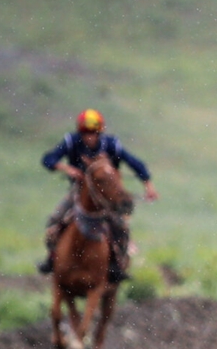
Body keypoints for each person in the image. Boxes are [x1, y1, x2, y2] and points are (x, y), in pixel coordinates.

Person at [37, 109, 158, 283]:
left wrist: (148, 185)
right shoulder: (71, 142)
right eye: (86, 133)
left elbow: (134, 162)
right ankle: (51, 258)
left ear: (100, 132)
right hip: (79, 192)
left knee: (121, 226)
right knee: (54, 220)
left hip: (106, 197)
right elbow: (48, 159)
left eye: (93, 133)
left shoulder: (111, 145)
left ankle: (117, 264)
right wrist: (66, 168)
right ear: (80, 132)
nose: (89, 137)